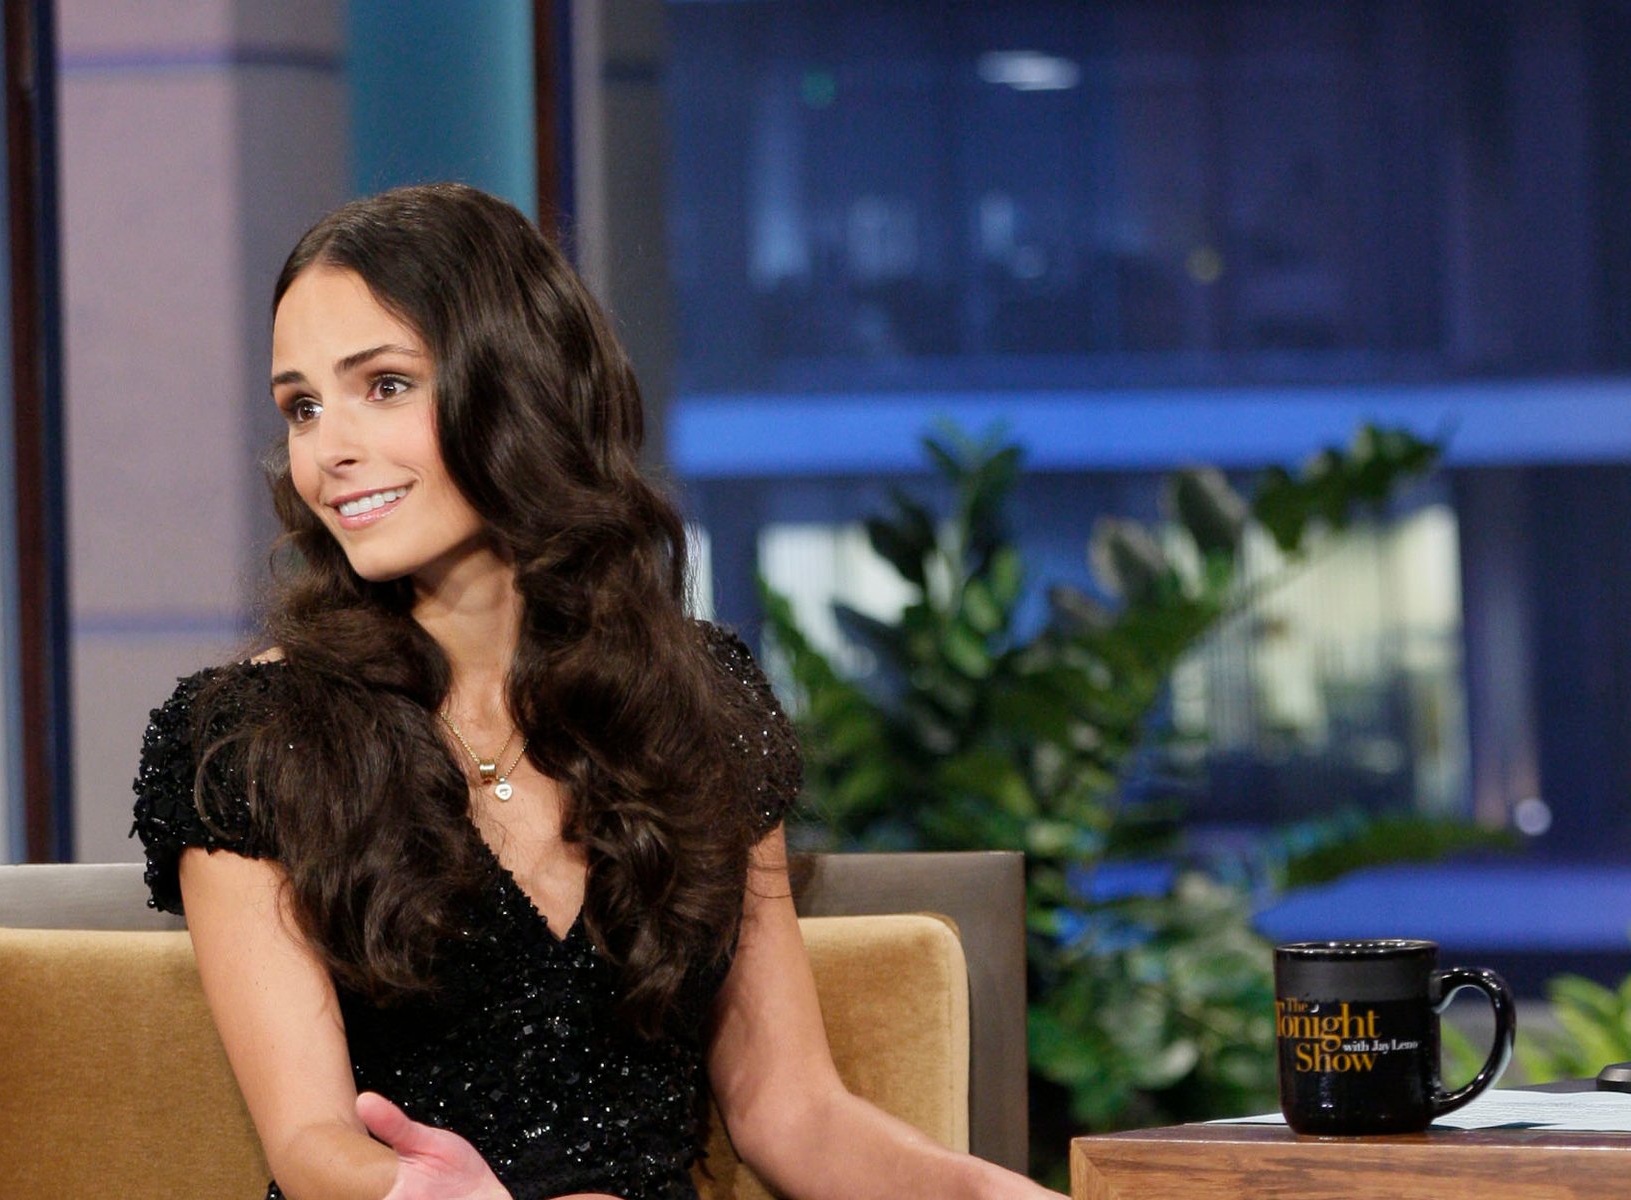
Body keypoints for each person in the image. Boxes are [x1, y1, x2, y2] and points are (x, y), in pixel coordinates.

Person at [132, 183, 1062, 1200]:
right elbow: (311, 1141)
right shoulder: (251, 738)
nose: (329, 450)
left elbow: (789, 1108)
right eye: (302, 407)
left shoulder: (696, 705)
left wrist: (986, 1193)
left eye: (384, 386)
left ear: (514, 386)